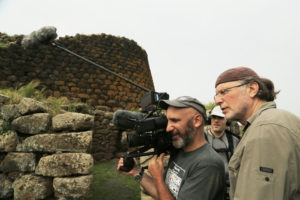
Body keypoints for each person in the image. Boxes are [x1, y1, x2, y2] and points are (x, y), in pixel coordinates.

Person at [214, 66, 300, 200]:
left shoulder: (266, 128)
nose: (217, 100)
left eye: (224, 92)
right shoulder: (267, 123)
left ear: (252, 89)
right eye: (217, 95)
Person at [118, 96, 225, 200]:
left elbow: (161, 189)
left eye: (175, 120)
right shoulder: (179, 150)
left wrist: (158, 178)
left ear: (197, 120)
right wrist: (136, 172)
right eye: (167, 121)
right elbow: (162, 193)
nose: (168, 128)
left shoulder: (208, 164)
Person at [205, 105, 240, 200]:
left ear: (227, 120)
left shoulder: (235, 141)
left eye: (220, 117)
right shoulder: (200, 139)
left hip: (230, 191)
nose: (216, 120)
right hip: (206, 190)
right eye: (214, 117)